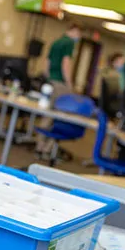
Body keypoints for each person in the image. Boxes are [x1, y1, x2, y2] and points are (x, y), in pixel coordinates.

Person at [34, 24, 81, 157]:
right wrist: (69, 83)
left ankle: (39, 145)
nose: (79, 37)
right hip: (61, 83)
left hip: (51, 81)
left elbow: (47, 62)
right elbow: (66, 63)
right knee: (59, 116)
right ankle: (48, 149)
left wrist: (48, 77)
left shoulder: (56, 42)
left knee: (48, 114)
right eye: (78, 33)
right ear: (73, 31)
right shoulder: (69, 43)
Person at [99, 52, 125, 118]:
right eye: (120, 62)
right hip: (110, 103)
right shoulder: (110, 73)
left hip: (113, 102)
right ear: (114, 62)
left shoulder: (120, 74)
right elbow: (115, 91)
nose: (122, 64)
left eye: (123, 62)